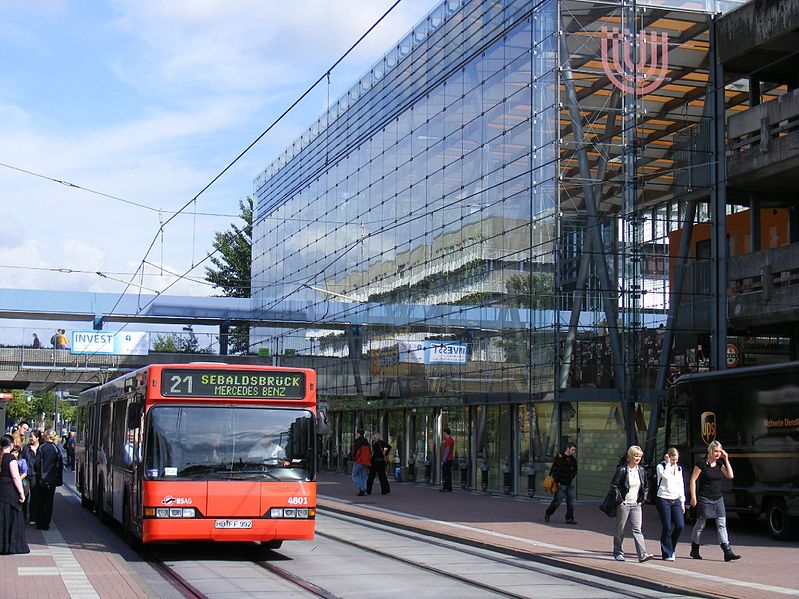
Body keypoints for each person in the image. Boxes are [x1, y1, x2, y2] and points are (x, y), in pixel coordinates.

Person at [689, 440, 741, 561]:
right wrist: (693, 497)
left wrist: (726, 459)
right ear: (710, 451)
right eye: (715, 451)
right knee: (700, 524)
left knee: (722, 524)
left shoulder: (719, 464)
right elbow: (693, 480)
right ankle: (694, 548)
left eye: (719, 451)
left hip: (718, 498)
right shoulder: (701, 464)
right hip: (705, 498)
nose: (717, 454)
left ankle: (727, 551)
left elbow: (730, 475)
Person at [610, 445, 654, 562]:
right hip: (624, 504)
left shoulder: (641, 470)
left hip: (636, 505)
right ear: (629, 457)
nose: (638, 458)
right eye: (636, 456)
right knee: (620, 530)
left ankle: (642, 554)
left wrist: (642, 500)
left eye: (640, 456)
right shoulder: (622, 470)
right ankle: (618, 552)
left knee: (637, 529)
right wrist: (620, 500)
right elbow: (614, 486)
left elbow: (645, 487)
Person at [0, 435, 29, 554]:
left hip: (1, 492)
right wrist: (22, 494)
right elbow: (16, 478)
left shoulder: (1, 458)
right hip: (10, 493)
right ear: (11, 445)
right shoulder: (11, 459)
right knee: (12, 519)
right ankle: (11, 545)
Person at [655, 447, 685, 561]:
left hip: (676, 499)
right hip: (663, 498)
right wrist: (667, 464)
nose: (674, 462)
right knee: (667, 526)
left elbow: (680, 484)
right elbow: (665, 477)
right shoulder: (661, 467)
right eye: (673, 459)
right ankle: (667, 552)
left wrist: (682, 501)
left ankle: (671, 546)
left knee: (680, 525)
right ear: (668, 456)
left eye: (676, 460)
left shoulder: (679, 468)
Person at [34, 428, 63, 530]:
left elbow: (36, 463)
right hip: (52, 479)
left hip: (41, 478)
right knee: (49, 501)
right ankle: (46, 523)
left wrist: (38, 473)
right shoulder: (56, 448)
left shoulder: (41, 447)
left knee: (40, 500)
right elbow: (60, 464)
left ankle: (39, 522)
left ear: (45, 436)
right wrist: (58, 478)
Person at [544, 441, 578, 524]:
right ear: (568, 448)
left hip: (569, 483)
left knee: (571, 502)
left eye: (574, 450)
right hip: (560, 484)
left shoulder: (573, 459)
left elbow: (575, 469)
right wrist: (557, 481)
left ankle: (569, 519)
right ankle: (548, 513)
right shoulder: (560, 457)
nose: (573, 452)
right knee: (557, 501)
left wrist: (572, 476)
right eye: (572, 450)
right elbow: (555, 470)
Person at [21, 430, 41, 524]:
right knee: (24, 494)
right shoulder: (26, 448)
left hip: (35, 475)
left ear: (37, 438)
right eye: (29, 437)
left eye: (32, 437)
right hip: (26, 475)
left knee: (35, 496)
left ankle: (33, 517)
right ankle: (23, 516)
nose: (30, 438)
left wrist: (35, 452)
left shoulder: (40, 448)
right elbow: (23, 460)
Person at [351, 429, 371, 496]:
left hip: (359, 460)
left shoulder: (358, 441)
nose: (356, 434)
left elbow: (356, 451)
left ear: (359, 434)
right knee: (363, 476)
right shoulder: (366, 442)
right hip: (366, 462)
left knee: (354, 475)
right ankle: (363, 490)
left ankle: (362, 488)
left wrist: (355, 458)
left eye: (357, 433)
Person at [440, 426, 455, 492]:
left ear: (445, 432)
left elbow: (447, 449)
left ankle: (446, 487)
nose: (443, 434)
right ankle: (447, 487)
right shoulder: (450, 439)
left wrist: (444, 459)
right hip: (450, 459)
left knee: (445, 474)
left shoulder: (448, 440)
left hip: (447, 459)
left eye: (444, 433)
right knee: (448, 473)